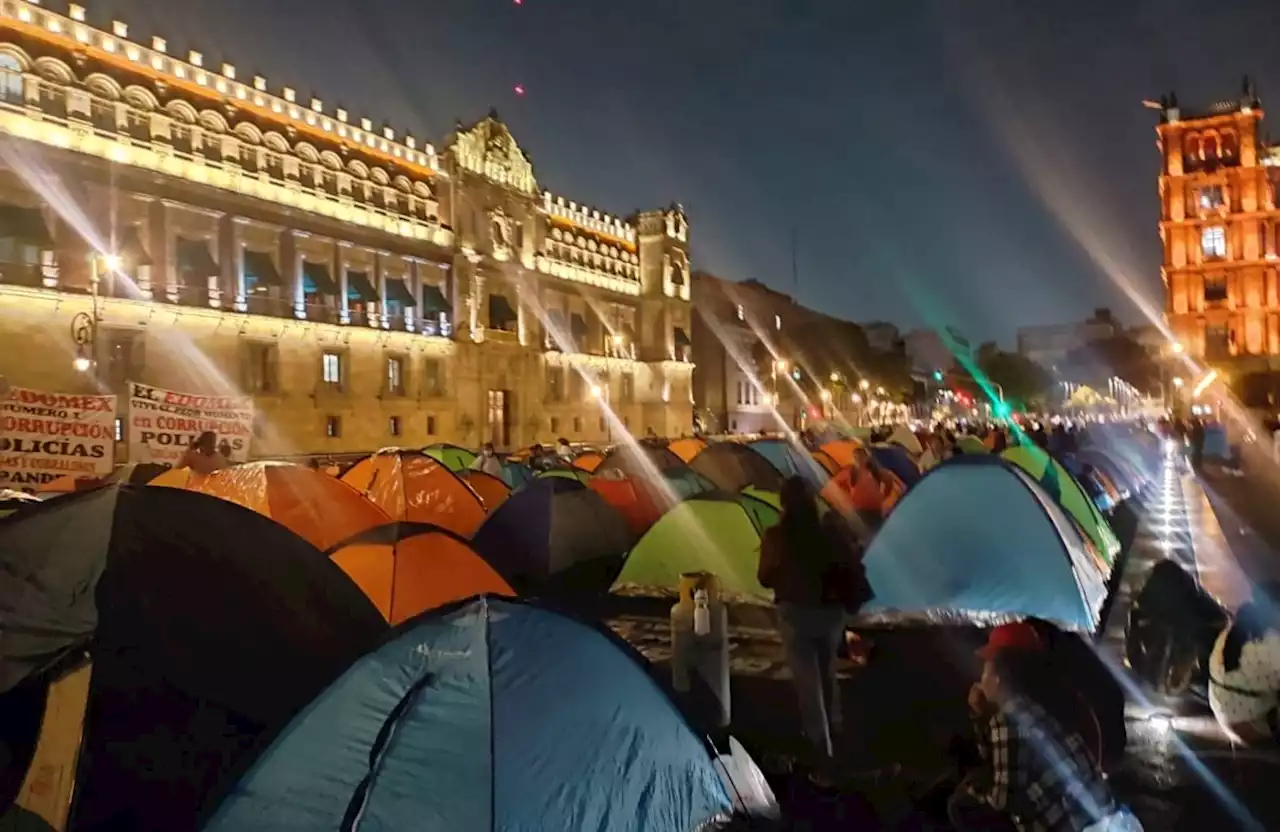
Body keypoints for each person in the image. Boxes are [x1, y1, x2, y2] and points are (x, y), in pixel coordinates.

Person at [949, 636, 1137, 832]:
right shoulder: (1035, 705)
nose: (980, 681)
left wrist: (974, 791)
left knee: (962, 804)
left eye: (985, 673)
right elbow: (996, 763)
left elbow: (1004, 800)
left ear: (997, 680)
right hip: (1105, 818)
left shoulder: (1007, 720)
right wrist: (981, 716)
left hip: (1071, 825)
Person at [758, 476, 870, 772]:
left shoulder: (776, 536)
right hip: (831, 614)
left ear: (783, 503)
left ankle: (822, 749)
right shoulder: (829, 531)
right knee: (826, 668)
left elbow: (764, 578)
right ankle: (835, 724)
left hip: (795, 616)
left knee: (808, 681)